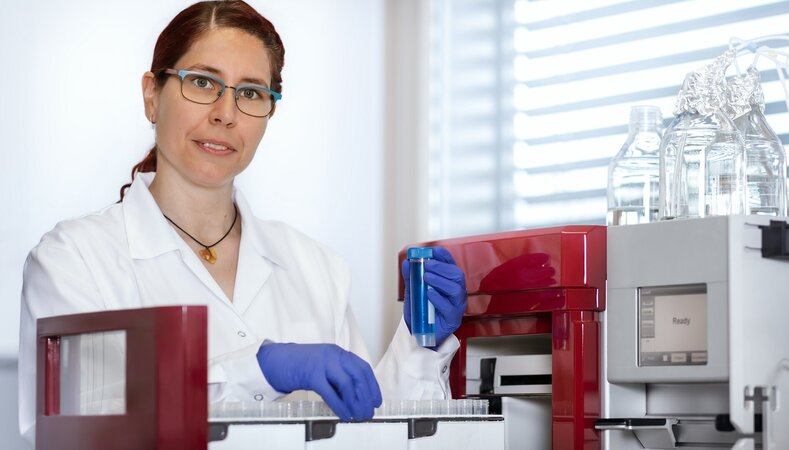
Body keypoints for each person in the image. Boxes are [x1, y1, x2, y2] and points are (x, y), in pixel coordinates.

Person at [17, 0, 467, 446]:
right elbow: (79, 428)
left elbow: (369, 430)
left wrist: (420, 346)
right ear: (152, 95)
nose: (225, 113)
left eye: (250, 93)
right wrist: (260, 371)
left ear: (269, 113)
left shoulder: (317, 269)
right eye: (202, 82)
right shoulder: (74, 261)